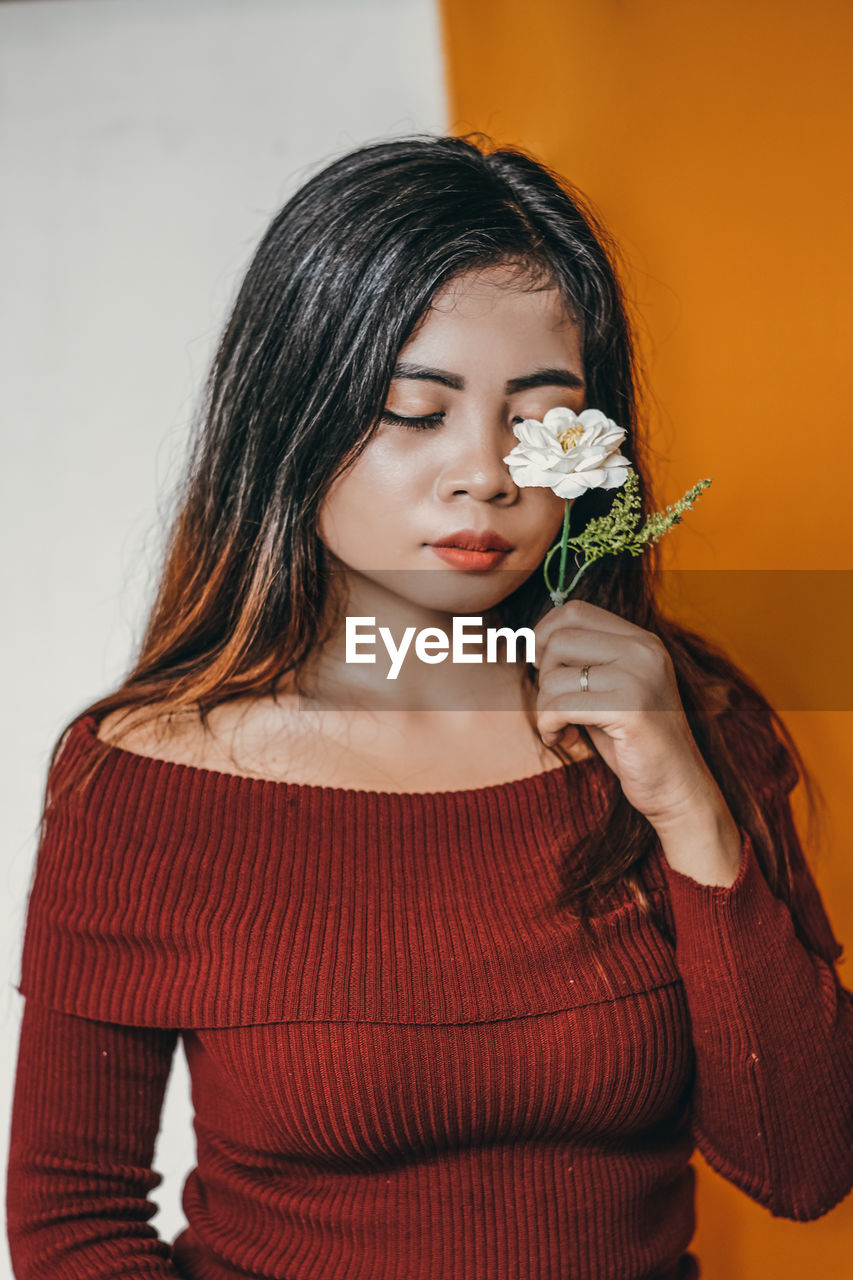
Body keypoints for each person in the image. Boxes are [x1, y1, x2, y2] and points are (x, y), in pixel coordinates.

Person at [6, 132, 853, 1280]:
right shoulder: (143, 776)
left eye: (541, 417)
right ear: (293, 418)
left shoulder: (684, 721)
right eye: (417, 409)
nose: (487, 472)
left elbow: (805, 1170)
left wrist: (690, 810)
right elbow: (73, 1220)